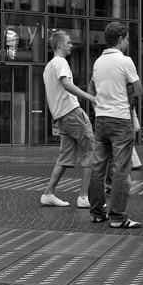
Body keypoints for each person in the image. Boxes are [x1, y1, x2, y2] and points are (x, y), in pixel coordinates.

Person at [88, 22, 143, 228]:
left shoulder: (98, 62)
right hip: (120, 119)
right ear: (120, 39)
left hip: (101, 119)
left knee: (98, 167)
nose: (128, 43)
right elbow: (139, 90)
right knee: (120, 169)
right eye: (127, 39)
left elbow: (91, 87)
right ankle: (118, 217)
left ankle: (97, 213)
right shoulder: (125, 60)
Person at [40, 30, 97, 208]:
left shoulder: (48, 67)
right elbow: (67, 84)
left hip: (61, 117)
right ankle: (83, 197)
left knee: (65, 157)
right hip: (72, 112)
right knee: (91, 151)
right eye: (69, 42)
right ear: (59, 45)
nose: (71, 45)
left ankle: (48, 193)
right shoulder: (61, 62)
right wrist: (91, 97)